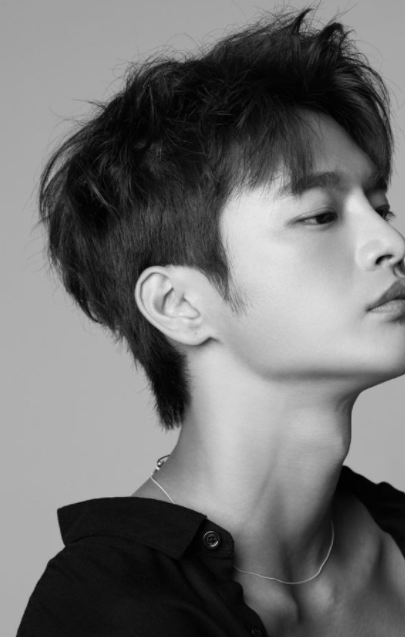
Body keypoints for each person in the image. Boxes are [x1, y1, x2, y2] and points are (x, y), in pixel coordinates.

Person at [17, 4, 405, 636]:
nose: (391, 244)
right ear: (179, 304)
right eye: (320, 215)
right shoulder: (107, 609)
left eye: (380, 207)